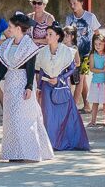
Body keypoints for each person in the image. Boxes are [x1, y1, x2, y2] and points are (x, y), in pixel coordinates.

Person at [0, 13, 54, 162]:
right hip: (10, 83)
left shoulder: (29, 45)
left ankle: (29, 152)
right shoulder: (7, 44)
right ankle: (14, 152)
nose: (9, 29)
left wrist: (29, 87)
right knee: (11, 118)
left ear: (19, 28)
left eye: (11, 27)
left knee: (24, 118)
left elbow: (31, 69)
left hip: (22, 82)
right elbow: (2, 66)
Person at [36, 22, 90, 150]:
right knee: (49, 117)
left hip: (61, 87)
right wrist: (38, 87)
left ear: (58, 36)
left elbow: (72, 68)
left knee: (65, 116)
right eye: (46, 34)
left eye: (50, 34)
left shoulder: (67, 51)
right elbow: (41, 70)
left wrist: (59, 78)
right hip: (47, 87)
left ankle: (67, 141)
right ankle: (51, 144)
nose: (47, 37)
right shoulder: (42, 52)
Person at [65, 0, 100, 113]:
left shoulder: (90, 17)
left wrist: (96, 50)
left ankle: (72, 107)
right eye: (71, 4)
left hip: (87, 54)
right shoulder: (69, 18)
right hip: (74, 53)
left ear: (81, 3)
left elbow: (97, 33)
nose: (73, 6)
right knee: (81, 79)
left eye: (75, 3)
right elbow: (67, 35)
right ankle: (87, 105)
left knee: (80, 78)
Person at [87, 34, 105, 127]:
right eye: (95, 44)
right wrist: (102, 70)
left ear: (104, 44)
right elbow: (91, 68)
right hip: (95, 82)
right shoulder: (92, 55)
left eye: (100, 44)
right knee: (95, 103)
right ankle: (93, 120)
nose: (98, 46)